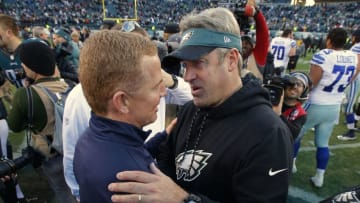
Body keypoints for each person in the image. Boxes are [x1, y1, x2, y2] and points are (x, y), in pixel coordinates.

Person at [107, 7, 293, 202]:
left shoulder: (269, 133)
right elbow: (166, 165)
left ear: (231, 60)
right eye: (186, 65)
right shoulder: (190, 110)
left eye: (198, 63)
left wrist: (184, 200)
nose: (187, 77)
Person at [62, 32, 192, 201]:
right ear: (122, 101)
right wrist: (183, 199)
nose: (163, 92)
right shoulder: (135, 183)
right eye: (155, 87)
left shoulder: (89, 139)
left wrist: (160, 139)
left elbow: (124, 152)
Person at [7, 40, 77, 202]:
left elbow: (14, 126)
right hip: (76, 150)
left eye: (24, 64)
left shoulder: (26, 95)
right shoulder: (70, 84)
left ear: (31, 67)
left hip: (51, 156)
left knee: (62, 192)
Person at [294, 28, 360, 188]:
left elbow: (312, 83)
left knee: (295, 135)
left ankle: (292, 165)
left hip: (316, 103)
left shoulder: (323, 55)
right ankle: (319, 177)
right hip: (334, 104)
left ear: (329, 39)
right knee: (323, 143)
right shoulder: (352, 56)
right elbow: (353, 77)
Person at [0, 14, 26, 202]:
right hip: (23, 102)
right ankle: (16, 193)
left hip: (40, 100)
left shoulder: (30, 47)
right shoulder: (3, 54)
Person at [337, 29, 360, 141]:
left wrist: (350, 80)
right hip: (356, 79)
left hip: (355, 79)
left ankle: (351, 132)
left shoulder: (356, 47)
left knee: (348, 107)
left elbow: (357, 65)